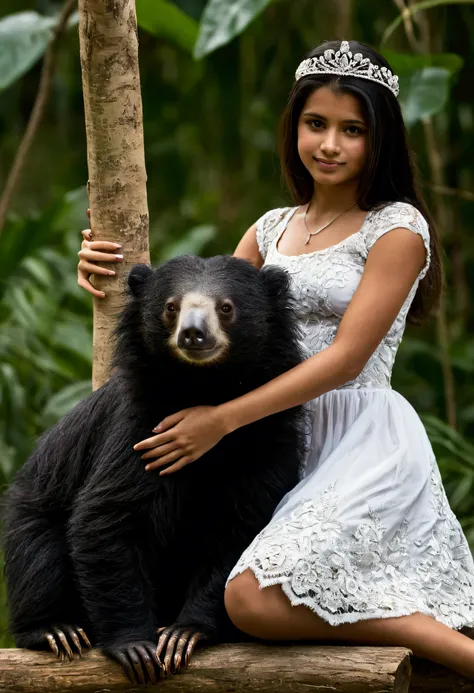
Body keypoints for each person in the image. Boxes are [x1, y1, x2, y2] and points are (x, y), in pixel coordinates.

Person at [77, 40, 474, 678]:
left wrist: (223, 420)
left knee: (250, 600)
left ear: (382, 141)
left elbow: (347, 359)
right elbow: (194, 303)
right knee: (203, 584)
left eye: (354, 130)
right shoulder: (271, 227)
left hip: (354, 438)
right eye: (316, 125)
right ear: (293, 127)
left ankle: (444, 645)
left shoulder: (397, 227)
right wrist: (105, 266)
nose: (330, 145)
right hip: (269, 444)